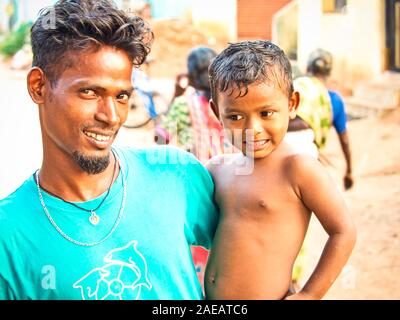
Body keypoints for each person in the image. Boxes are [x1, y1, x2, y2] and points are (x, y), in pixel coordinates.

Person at [0, 0, 218, 300]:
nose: (112, 116)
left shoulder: (177, 175)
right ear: (39, 86)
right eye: (89, 92)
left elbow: (262, 226)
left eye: (122, 96)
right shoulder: (8, 235)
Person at [205, 40, 356, 300]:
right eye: (235, 117)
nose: (253, 129)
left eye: (266, 113)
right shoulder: (218, 169)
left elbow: (344, 231)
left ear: (292, 104)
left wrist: (309, 294)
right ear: (217, 112)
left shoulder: (298, 168)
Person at [156, 46, 227, 288]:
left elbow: (160, 137)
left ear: (189, 73)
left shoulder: (185, 103)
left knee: (199, 242)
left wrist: (175, 96)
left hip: (197, 187)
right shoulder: (227, 99)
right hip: (232, 181)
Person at [287, 49, 354, 190]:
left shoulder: (295, 87)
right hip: (308, 157)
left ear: (308, 68)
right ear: (328, 74)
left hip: (278, 148)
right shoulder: (333, 100)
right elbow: (345, 140)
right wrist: (349, 171)